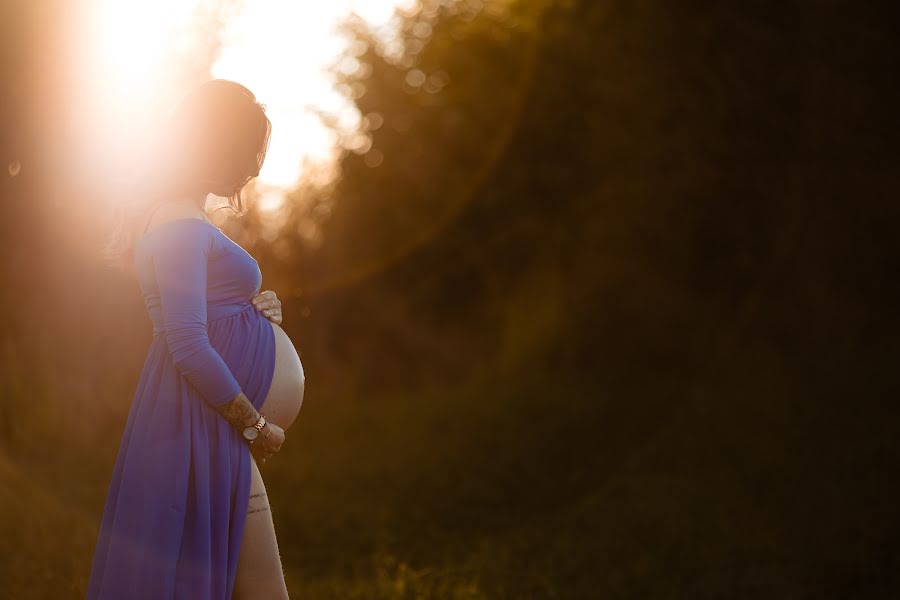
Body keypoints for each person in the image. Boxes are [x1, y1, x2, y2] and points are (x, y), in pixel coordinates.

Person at [86, 79, 306, 600]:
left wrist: (259, 309)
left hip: (207, 429)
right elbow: (186, 342)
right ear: (215, 145)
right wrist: (254, 427)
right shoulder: (179, 225)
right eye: (248, 151)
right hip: (203, 429)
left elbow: (203, 312)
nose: (252, 168)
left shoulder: (180, 218)